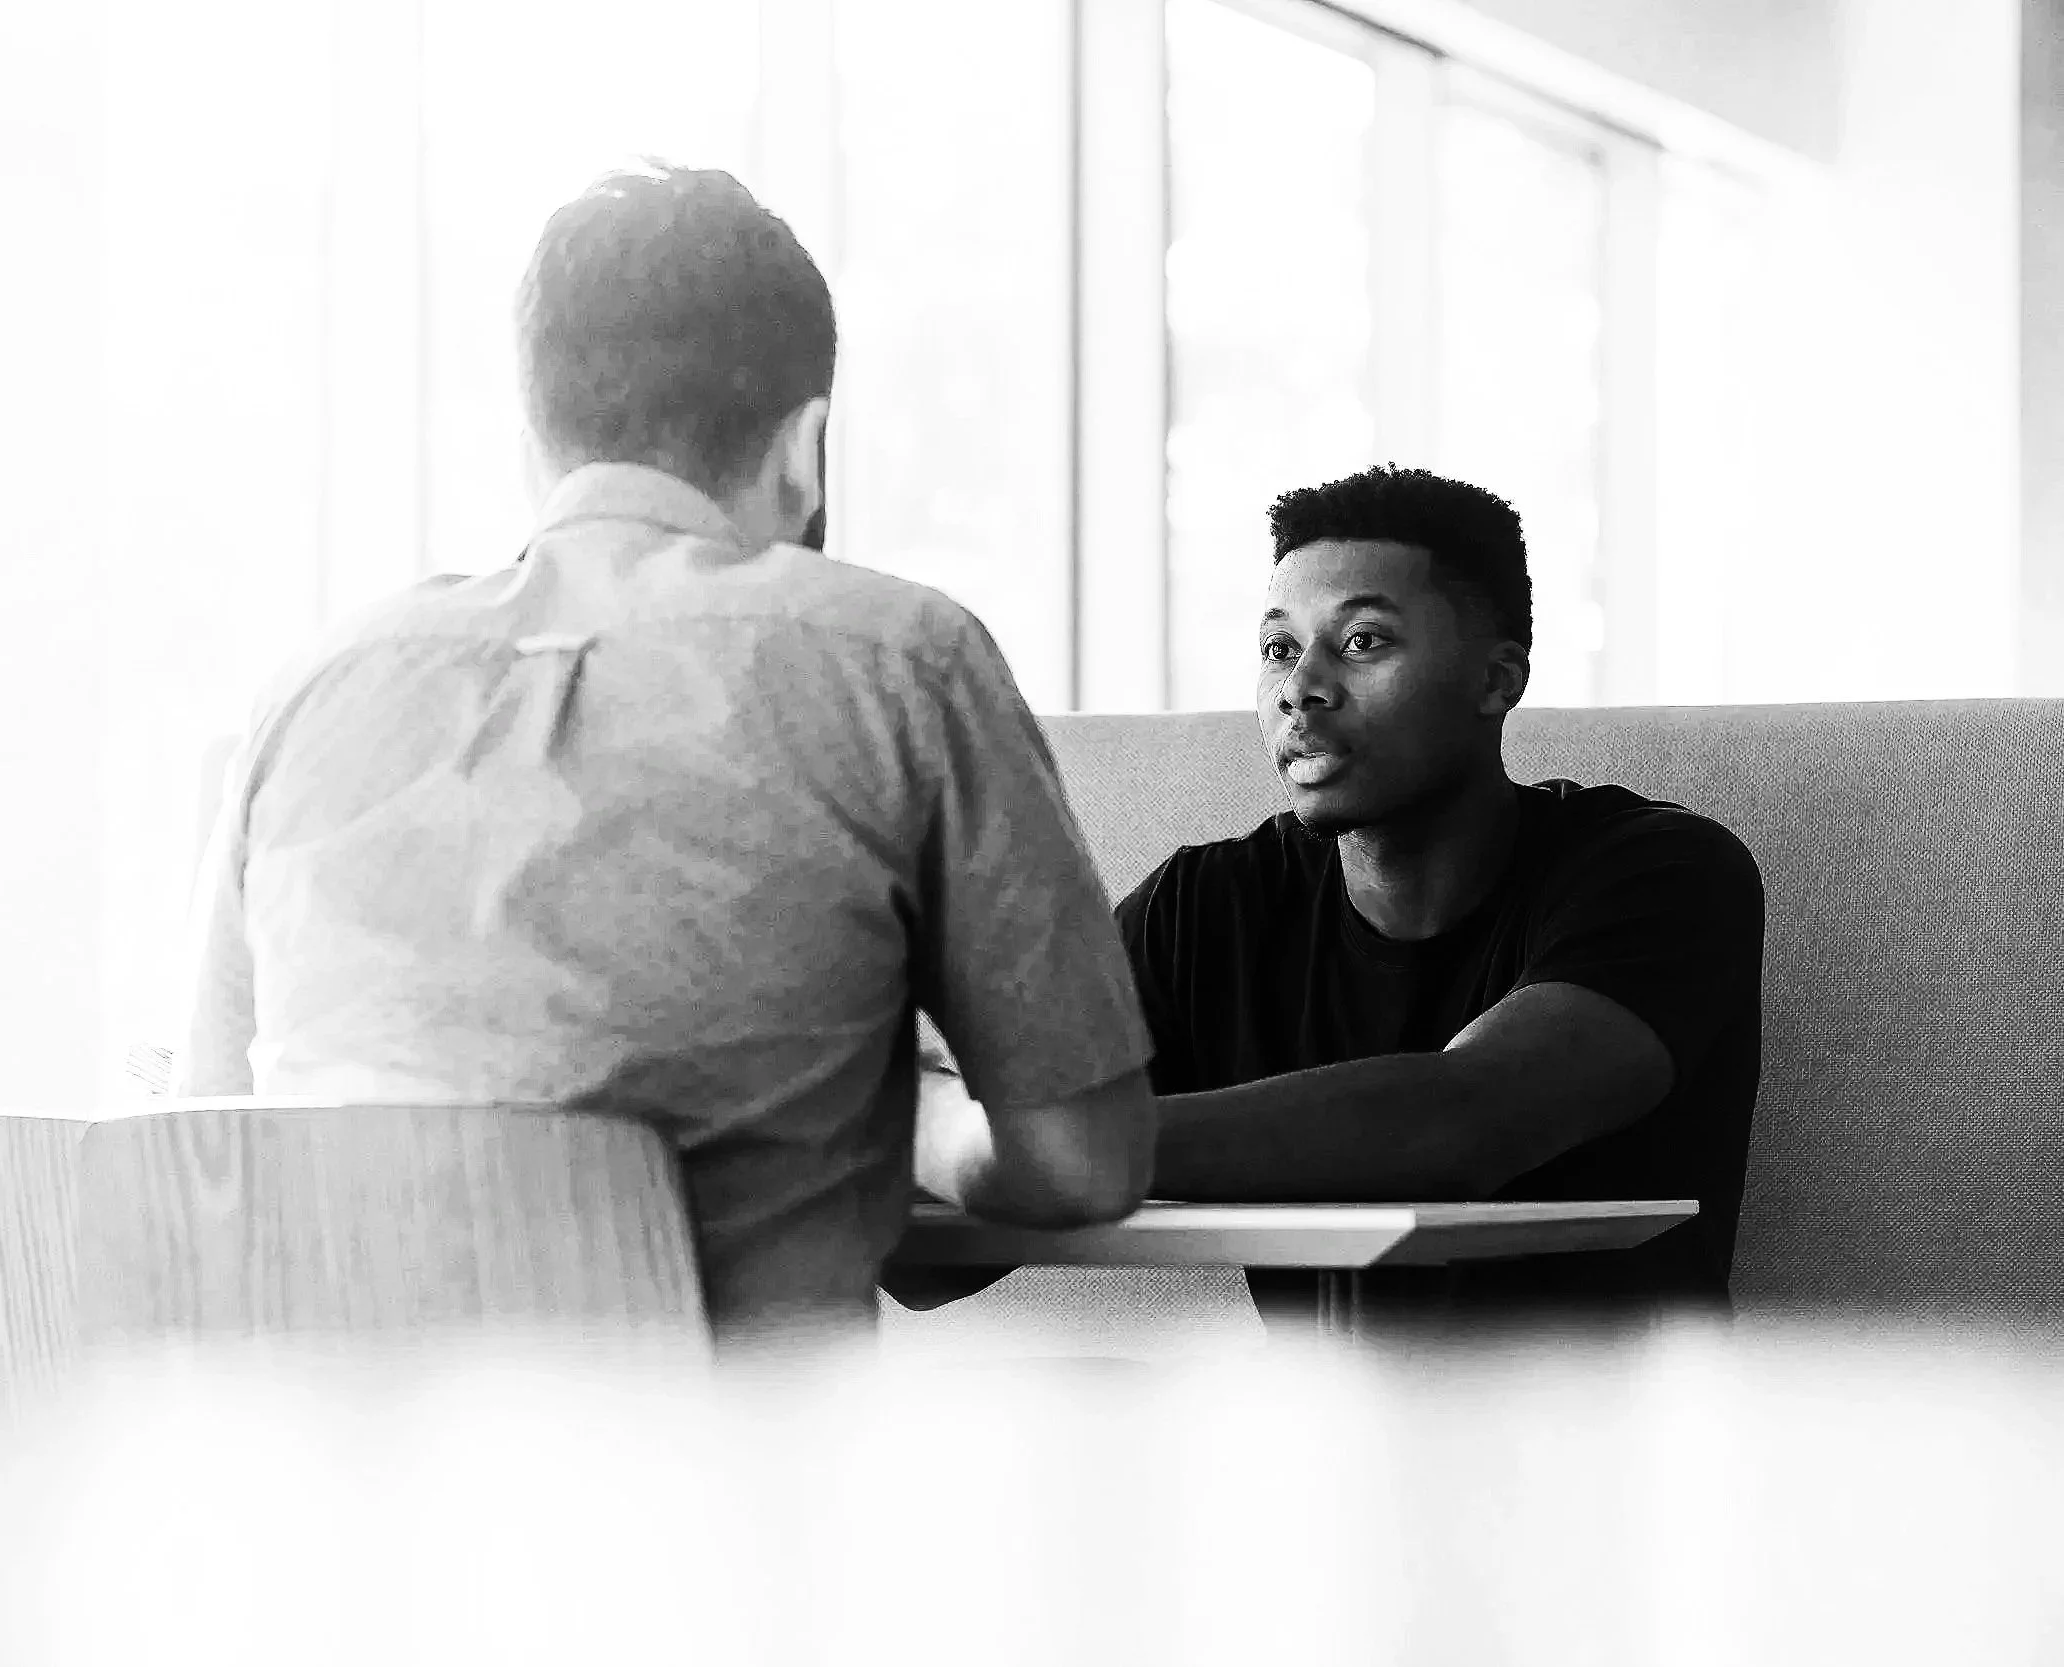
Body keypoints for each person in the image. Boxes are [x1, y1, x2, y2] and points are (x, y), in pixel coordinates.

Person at [171, 163, 1157, 1349]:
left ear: (537, 437)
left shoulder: (310, 688)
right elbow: (1083, 1161)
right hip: (733, 1495)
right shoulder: (902, 658)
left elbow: (209, 1136)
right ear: (808, 447)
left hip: (333, 1488)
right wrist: (927, 1117)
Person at [899, 465, 1764, 1338]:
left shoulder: (1664, 872)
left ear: (1497, 680)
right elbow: (929, 1268)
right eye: (1280, 648)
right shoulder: (1206, 911)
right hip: (1327, 1456)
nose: (1299, 687)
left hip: (1623, 1451)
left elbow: (1464, 1118)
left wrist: (1030, 1142)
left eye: (1362, 642)